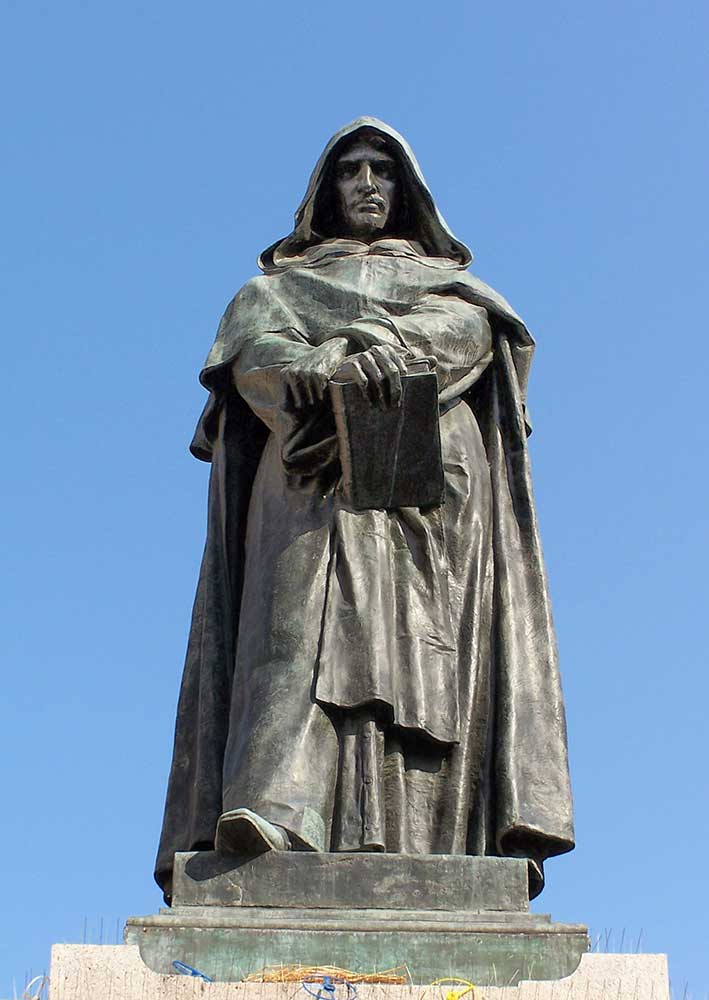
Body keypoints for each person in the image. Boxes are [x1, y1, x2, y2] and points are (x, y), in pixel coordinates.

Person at [155, 117, 574, 904]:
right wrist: (324, 372)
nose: (368, 185)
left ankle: (441, 843)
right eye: (350, 172)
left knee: (425, 658)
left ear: (408, 190)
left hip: (430, 491)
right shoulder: (271, 291)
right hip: (308, 475)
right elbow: (253, 356)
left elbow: (467, 335)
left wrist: (375, 342)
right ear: (325, 191)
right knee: (291, 635)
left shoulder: (454, 289)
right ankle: (273, 812)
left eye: (382, 171)